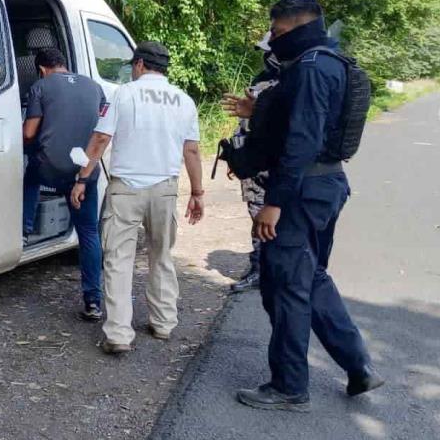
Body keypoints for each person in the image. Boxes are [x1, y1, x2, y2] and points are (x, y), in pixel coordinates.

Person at [235, 0, 382, 411]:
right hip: (325, 185)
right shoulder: (330, 62)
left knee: (287, 287)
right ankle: (358, 365)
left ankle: (289, 386)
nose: (273, 40)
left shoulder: (312, 69)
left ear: (298, 28)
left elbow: (302, 139)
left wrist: (274, 202)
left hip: (301, 192)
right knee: (311, 276)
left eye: (278, 33)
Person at [70, 41, 204, 354]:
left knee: (118, 259)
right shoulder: (184, 101)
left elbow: (101, 138)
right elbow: (192, 150)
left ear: (140, 64)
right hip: (165, 189)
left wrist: (82, 179)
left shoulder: (125, 94)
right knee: (161, 255)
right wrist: (197, 193)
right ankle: (163, 323)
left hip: (126, 188)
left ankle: (118, 334)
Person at [22, 47, 108, 321]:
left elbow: (29, 132)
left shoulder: (41, 86)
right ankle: (93, 302)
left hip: (51, 169)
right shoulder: (95, 87)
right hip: (83, 173)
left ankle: (24, 229)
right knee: (89, 233)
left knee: (31, 173)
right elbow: (103, 130)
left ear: (42, 69)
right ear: (64, 65)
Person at [223, 34, 281, 293]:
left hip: (271, 165)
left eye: (268, 51)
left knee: (266, 216)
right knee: (256, 213)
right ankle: (261, 267)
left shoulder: (286, 85)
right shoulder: (262, 80)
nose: (266, 56)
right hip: (254, 162)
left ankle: (266, 269)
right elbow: (244, 124)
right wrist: (237, 158)